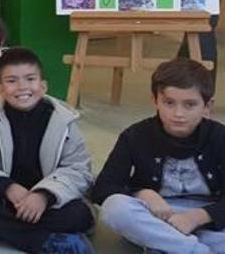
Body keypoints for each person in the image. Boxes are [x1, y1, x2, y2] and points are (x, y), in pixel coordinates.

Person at [0, 47, 95, 253]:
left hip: (46, 204)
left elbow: (79, 169)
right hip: (2, 198)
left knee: (80, 215)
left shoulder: (63, 121)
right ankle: (45, 242)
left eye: (30, 79)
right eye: (11, 81)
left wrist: (43, 195)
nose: (22, 87)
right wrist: (7, 187)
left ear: (43, 86)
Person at [92, 58, 225, 253]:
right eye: (169, 103)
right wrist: (142, 194)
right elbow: (103, 188)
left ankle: (170, 246)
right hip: (157, 218)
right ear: (155, 100)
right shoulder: (135, 136)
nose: (178, 113)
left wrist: (197, 217)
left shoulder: (220, 137)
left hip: (209, 218)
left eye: (190, 105)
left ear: (207, 105)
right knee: (115, 208)